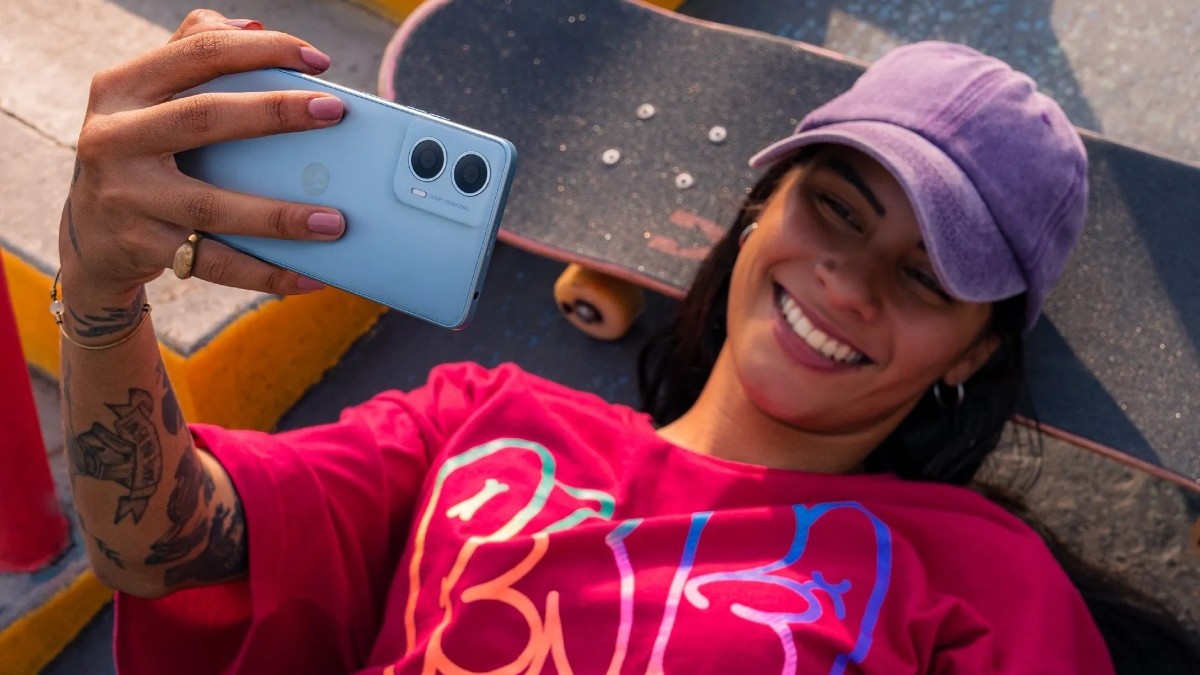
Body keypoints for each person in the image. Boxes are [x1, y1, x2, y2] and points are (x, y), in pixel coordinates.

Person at [56, 9, 1194, 675]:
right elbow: (158, 547)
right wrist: (102, 295)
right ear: (760, 212)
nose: (848, 282)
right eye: (836, 210)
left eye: (926, 278)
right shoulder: (480, 418)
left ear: (972, 355)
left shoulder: (980, 579)